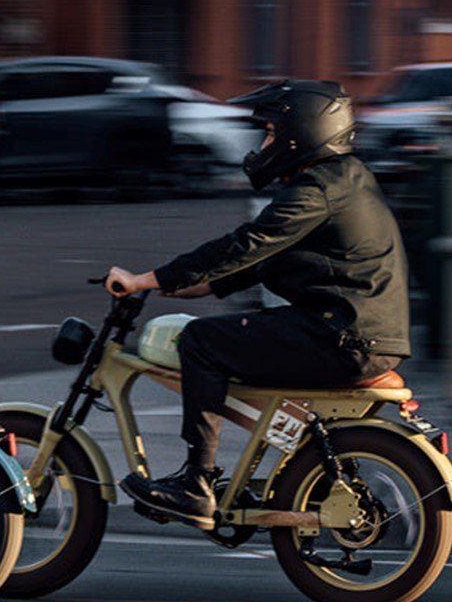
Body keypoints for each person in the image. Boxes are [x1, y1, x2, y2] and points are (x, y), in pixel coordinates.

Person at [105, 79, 411, 527]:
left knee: (201, 340)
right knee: (234, 339)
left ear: (300, 133)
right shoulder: (346, 179)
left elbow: (247, 243)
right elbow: (268, 258)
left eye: (270, 133)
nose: (264, 143)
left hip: (341, 335)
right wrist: (189, 284)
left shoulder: (316, 189)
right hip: (358, 332)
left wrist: (147, 279)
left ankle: (197, 483)